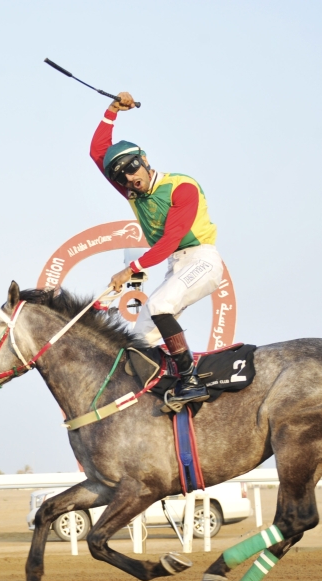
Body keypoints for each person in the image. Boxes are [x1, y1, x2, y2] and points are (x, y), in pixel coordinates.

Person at [90, 92, 226, 409]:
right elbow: (98, 152)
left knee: (161, 304)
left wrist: (130, 269)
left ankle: (191, 381)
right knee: (139, 344)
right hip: (176, 268)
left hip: (203, 260)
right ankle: (165, 394)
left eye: (133, 169)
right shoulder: (131, 190)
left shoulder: (182, 186)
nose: (129, 179)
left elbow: (170, 240)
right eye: (121, 176)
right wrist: (112, 110)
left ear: (146, 161)